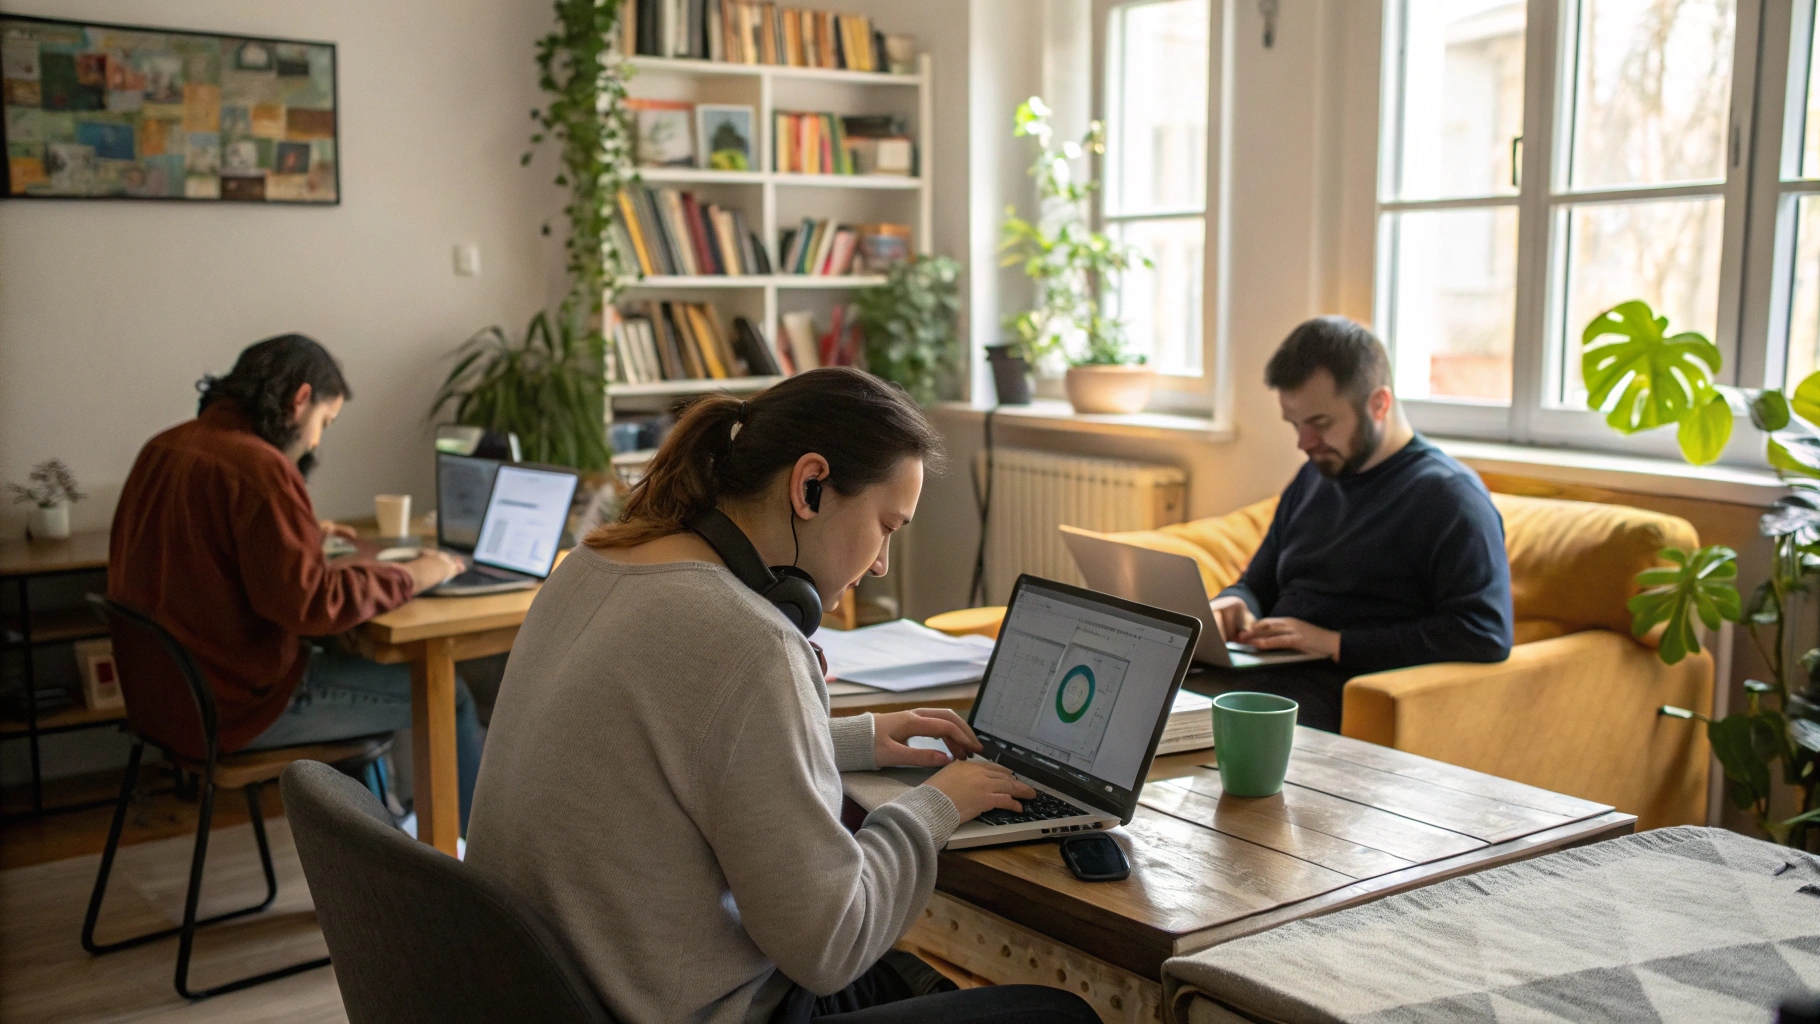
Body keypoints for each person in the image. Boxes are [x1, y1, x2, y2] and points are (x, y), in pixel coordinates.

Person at [466, 368, 1098, 1024]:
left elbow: (658, 752)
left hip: (548, 992)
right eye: (887, 525)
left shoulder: (591, 565)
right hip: (672, 1008)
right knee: (1056, 1014)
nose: (882, 562)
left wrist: (852, 737)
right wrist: (937, 806)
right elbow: (831, 946)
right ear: (810, 485)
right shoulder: (750, 640)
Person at [109, 334, 486, 828]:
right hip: (240, 708)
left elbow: (204, 547)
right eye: (324, 423)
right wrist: (416, 572)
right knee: (446, 691)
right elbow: (312, 605)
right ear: (300, 399)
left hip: (167, 703)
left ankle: (388, 846)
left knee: (358, 662)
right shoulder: (258, 467)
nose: (314, 441)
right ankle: (486, 862)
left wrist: (297, 534)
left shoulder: (165, 447)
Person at [1199, 316, 1513, 732]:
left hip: (1329, 693)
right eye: (1295, 424)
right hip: (1259, 675)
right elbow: (1258, 583)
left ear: (1378, 404)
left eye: (1320, 423)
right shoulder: (1315, 477)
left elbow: (1484, 633)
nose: (1304, 443)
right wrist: (1234, 605)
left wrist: (1334, 644)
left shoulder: (1448, 497)